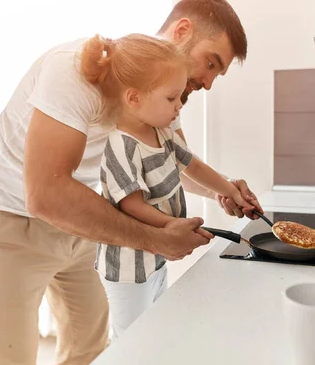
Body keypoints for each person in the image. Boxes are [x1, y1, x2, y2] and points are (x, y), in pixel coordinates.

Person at [0, 0, 262, 365]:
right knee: (6, 359)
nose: (206, 83)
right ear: (182, 31)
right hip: (10, 222)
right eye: (210, 62)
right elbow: (45, 193)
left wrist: (227, 190)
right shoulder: (71, 72)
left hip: (79, 221)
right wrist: (156, 239)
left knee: (91, 350)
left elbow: (171, 167)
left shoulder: (166, 94)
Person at [86, 33, 258, 340]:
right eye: (171, 98)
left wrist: (230, 190)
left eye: (179, 98)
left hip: (155, 255)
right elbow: (132, 205)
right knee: (130, 338)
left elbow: (194, 166)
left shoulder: (162, 133)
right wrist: (174, 226)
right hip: (127, 268)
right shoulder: (121, 146)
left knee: (153, 327)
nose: (179, 106)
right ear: (134, 98)